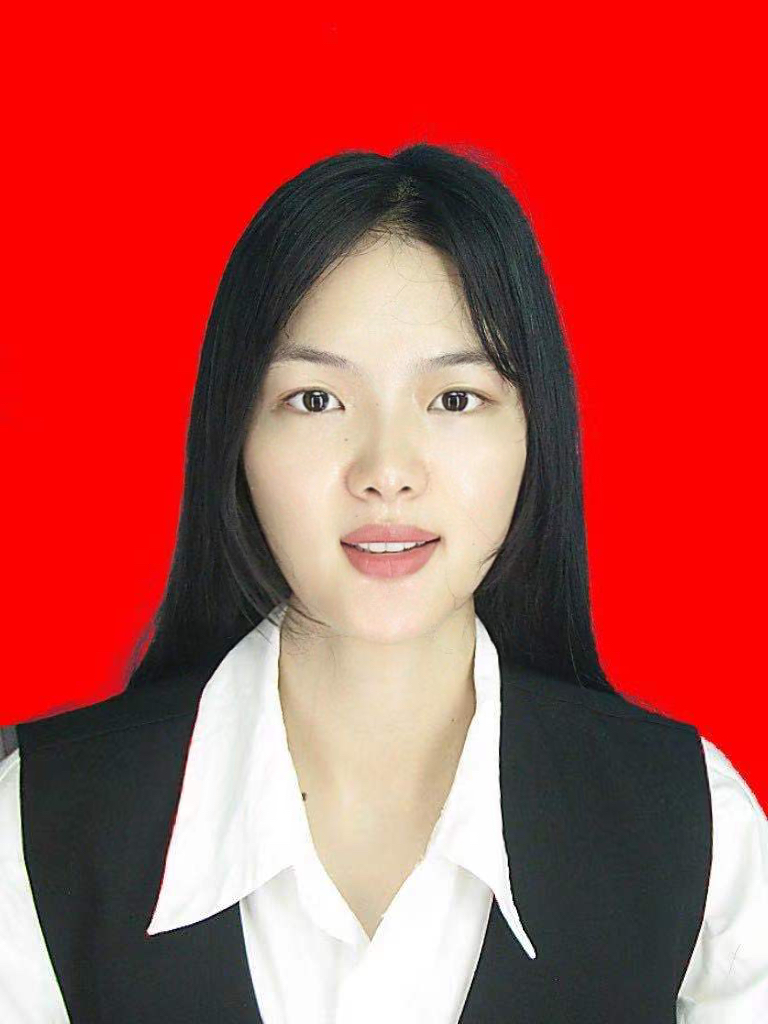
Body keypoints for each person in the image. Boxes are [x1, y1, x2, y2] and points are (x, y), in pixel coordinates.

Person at [1, 143, 766, 1022]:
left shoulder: (693, 827)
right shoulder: (36, 831)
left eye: (455, 399)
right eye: (316, 399)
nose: (387, 471)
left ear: (535, 433)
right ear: (235, 435)